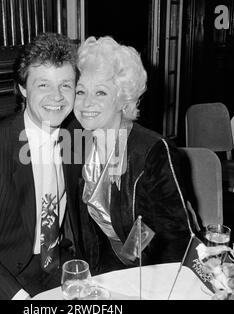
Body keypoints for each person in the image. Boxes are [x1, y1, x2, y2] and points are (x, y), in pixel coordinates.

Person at [0, 33, 82, 300]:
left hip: (58, 265)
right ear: (22, 88)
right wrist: (18, 298)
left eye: (65, 85)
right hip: (3, 276)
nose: (56, 97)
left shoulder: (77, 139)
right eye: (43, 84)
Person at [73, 36, 197, 274]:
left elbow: (176, 238)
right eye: (81, 91)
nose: (86, 102)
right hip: (103, 265)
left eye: (100, 93)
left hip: (151, 271)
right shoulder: (79, 140)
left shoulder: (153, 151)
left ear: (122, 100)